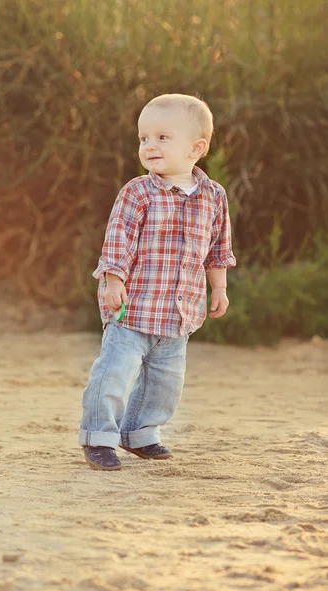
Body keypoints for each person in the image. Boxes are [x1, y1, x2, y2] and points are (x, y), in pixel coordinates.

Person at [79, 93, 236, 471]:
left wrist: (219, 288)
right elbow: (118, 239)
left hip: (178, 312)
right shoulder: (138, 192)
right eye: (143, 138)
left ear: (196, 148)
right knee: (114, 373)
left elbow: (218, 249)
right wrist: (113, 280)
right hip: (132, 307)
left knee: (165, 384)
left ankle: (141, 433)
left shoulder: (213, 197)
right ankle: (99, 436)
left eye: (162, 137)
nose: (149, 145)